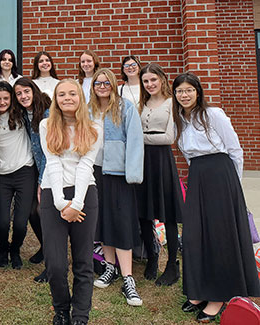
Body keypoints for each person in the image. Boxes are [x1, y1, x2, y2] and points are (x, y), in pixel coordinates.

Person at [172, 73, 260, 322]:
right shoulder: (181, 119)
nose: (184, 95)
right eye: (180, 91)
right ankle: (200, 290)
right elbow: (189, 155)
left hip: (222, 177)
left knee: (220, 236)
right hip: (198, 176)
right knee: (195, 235)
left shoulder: (214, 114)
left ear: (197, 92)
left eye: (189, 90)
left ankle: (219, 296)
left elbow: (235, 149)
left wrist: (234, 187)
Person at [39, 79, 102, 325]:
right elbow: (52, 163)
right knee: (55, 264)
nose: (67, 98)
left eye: (72, 93)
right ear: (56, 99)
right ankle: (62, 310)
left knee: (83, 261)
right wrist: (60, 203)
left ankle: (80, 315)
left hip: (85, 193)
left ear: (80, 98)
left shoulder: (95, 127)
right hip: (52, 194)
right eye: (62, 94)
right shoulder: (47, 125)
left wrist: (76, 203)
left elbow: (86, 165)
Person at [90, 68, 144, 307]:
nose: (102, 87)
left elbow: (135, 141)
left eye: (106, 83)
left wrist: (132, 174)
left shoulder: (125, 108)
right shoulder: (88, 109)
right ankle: (109, 267)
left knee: (121, 222)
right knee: (103, 220)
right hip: (94, 171)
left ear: (113, 85)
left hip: (119, 173)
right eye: (97, 83)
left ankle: (128, 277)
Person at [137, 63, 183, 285]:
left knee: (169, 214)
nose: (150, 84)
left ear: (162, 79)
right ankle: (152, 256)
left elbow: (168, 137)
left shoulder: (171, 103)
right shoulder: (142, 103)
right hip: (142, 161)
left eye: (153, 79)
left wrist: (140, 138)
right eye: (146, 81)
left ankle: (172, 264)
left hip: (162, 160)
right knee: (144, 212)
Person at [0, 81, 36, 270]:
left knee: (20, 223)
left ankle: (15, 250)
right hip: (3, 175)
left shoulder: (21, 115)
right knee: (1, 222)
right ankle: (3, 249)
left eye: (6, 98)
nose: (2, 102)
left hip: (25, 170)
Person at [13, 77, 51, 282]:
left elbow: (50, 151)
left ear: (34, 91)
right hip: (35, 167)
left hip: (50, 170)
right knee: (31, 211)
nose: (23, 96)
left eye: (26, 92)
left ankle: (52, 264)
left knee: (45, 214)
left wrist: (42, 181)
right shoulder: (24, 114)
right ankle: (45, 247)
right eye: (18, 94)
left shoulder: (46, 113)